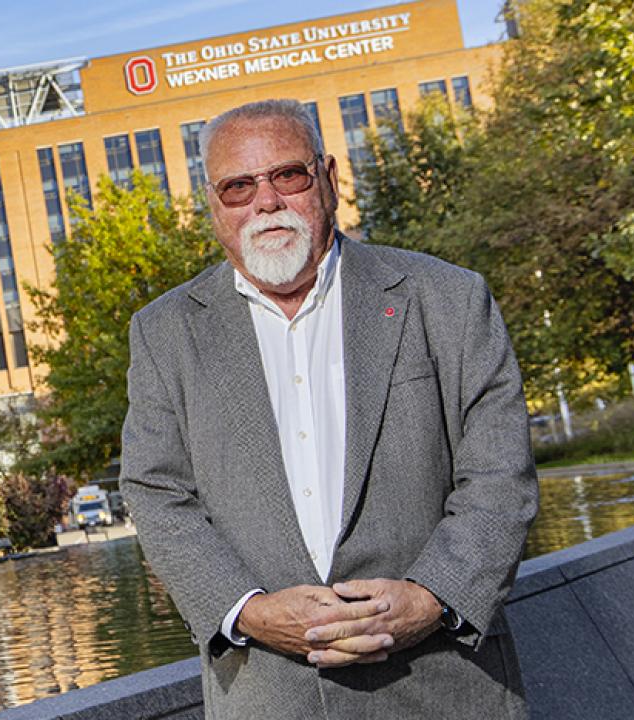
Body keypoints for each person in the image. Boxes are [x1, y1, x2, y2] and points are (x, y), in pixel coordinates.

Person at [119, 99, 538, 719]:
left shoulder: (447, 298)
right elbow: (155, 491)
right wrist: (249, 611)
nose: (266, 202)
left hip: (445, 686)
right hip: (268, 695)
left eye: (287, 175)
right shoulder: (164, 333)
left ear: (329, 179)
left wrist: (430, 597)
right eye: (238, 187)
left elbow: (500, 475)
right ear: (214, 206)